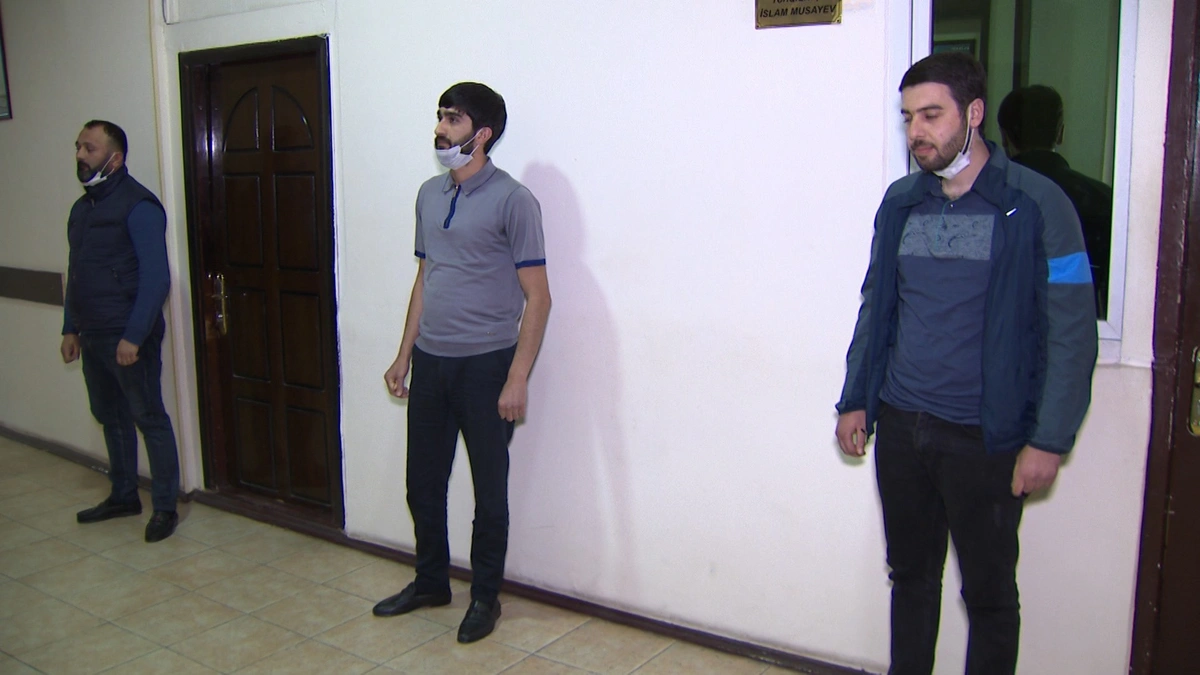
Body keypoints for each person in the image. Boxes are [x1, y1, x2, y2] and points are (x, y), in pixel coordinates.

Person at [834, 54, 1097, 674]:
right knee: (910, 579)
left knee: (989, 596)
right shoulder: (902, 203)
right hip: (904, 428)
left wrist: (1049, 439)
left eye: (931, 115)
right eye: (907, 118)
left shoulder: (1038, 204)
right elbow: (877, 306)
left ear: (974, 113)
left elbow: (1072, 332)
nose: (916, 132)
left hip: (985, 438)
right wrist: (856, 398)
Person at [373, 82, 551, 644]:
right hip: (432, 361)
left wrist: (517, 377)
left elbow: (539, 297)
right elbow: (426, 278)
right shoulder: (429, 194)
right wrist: (404, 353)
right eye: (440, 116)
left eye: (453, 119)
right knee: (422, 484)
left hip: (486, 366)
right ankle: (431, 582)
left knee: (488, 492)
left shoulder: (514, 200)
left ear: (483, 134)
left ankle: (484, 597)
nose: (440, 128)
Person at [61, 120, 180, 543]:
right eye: (78, 146)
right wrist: (70, 328)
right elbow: (76, 272)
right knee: (109, 416)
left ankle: (165, 507)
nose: (80, 155)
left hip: (127, 335)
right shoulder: (82, 209)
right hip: (92, 333)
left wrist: (134, 336)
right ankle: (124, 495)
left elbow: (156, 280)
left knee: (148, 417)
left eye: (89, 148)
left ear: (115, 158)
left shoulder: (139, 206)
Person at [997, 85, 1113, 316]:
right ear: (1060, 133)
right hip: (1083, 324)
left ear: (1004, 137)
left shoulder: (982, 199)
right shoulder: (1103, 199)